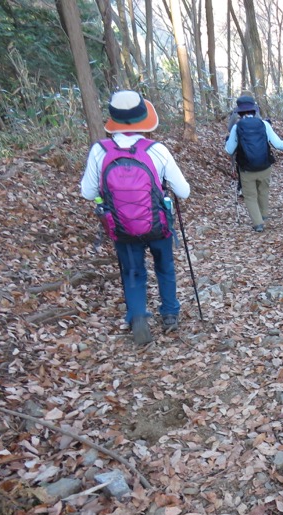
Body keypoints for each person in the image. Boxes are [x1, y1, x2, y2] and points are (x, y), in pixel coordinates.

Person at [80, 90, 191, 346]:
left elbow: (87, 192)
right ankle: (170, 314)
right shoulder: (157, 150)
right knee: (165, 268)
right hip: (158, 224)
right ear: (143, 118)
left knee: (132, 271)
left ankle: (138, 315)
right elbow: (183, 191)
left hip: (121, 226)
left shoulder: (99, 150)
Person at [225, 95, 283, 232]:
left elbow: (229, 150)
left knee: (250, 196)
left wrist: (227, 140)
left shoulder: (237, 128)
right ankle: (264, 215)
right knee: (263, 191)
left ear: (239, 112)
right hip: (265, 166)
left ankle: (258, 223)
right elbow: (278, 145)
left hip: (246, 169)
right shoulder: (264, 124)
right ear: (254, 110)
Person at [227, 90, 260, 197]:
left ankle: (241, 187)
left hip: (240, 140)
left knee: (241, 163)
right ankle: (254, 186)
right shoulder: (256, 110)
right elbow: (261, 123)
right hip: (256, 141)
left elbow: (229, 128)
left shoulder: (236, 112)